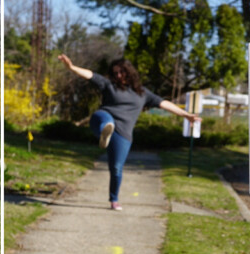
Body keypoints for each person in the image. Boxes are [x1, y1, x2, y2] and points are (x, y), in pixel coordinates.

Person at [58, 54, 201, 210]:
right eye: (115, 73)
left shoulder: (143, 93)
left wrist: (185, 115)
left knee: (116, 168)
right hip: (104, 118)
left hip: (123, 133)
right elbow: (90, 75)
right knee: (104, 118)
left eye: (121, 72)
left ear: (129, 72)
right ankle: (104, 133)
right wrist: (71, 67)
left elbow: (164, 103)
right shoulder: (108, 85)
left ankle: (114, 199)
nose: (118, 76)